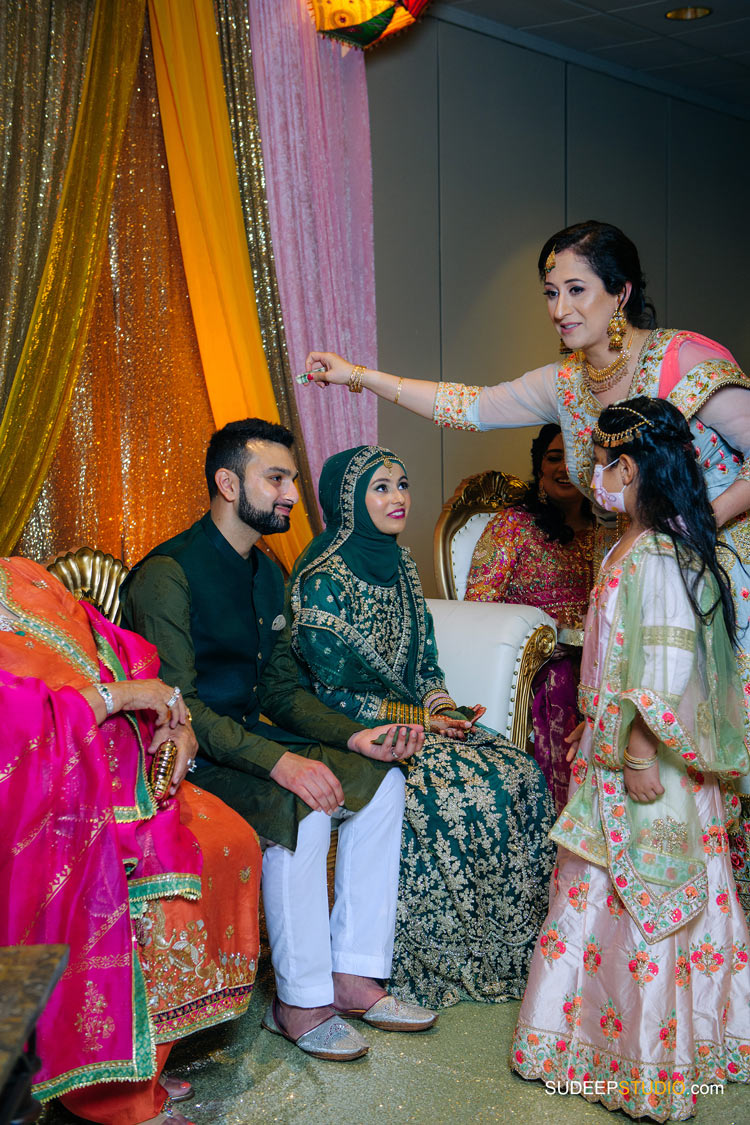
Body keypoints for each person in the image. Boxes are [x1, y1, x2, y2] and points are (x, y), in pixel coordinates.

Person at [304, 219, 750, 917]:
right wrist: (361, 377)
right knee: (621, 754)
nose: (561, 308)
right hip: (631, 583)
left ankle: (711, 934)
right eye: (550, 292)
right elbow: (468, 406)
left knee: (690, 756)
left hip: (713, 577)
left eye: (577, 289)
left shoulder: (682, 359)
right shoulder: (568, 385)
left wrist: (692, 529)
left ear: (621, 292)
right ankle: (628, 948)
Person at [121, 418, 436, 1064]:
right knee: (303, 805)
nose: (293, 492)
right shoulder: (167, 574)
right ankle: (298, 1000)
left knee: (383, 785)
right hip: (189, 757)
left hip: (251, 739)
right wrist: (284, 762)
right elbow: (183, 710)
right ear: (228, 483)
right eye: (278, 478)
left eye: (292, 477)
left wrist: (356, 736)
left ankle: (352, 972)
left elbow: (283, 694)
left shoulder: (266, 573)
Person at [510, 397, 750, 1120]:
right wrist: (594, 725)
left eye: (609, 462)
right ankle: (580, 1037)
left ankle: (654, 1057)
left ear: (638, 468)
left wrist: (640, 747)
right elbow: (615, 654)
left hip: (651, 761)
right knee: (596, 891)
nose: (597, 476)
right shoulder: (629, 544)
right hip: (614, 748)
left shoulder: (665, 552)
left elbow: (670, 662)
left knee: (650, 898)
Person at [287, 444, 556, 1008]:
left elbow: (427, 663)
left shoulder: (402, 564)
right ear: (347, 500)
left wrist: (447, 711)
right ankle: (424, 958)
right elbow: (330, 691)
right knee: (453, 793)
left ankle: (516, 950)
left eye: (402, 485)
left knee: (516, 770)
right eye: (380, 487)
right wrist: (421, 720)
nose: (398, 498)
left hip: (418, 719)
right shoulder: (321, 574)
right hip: (346, 728)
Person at [0, 555, 261, 1125]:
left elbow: (117, 648)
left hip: (118, 764)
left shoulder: (24, 575)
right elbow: (13, 722)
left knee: (229, 841)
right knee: (140, 880)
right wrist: (125, 698)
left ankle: (143, 1056)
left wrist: (176, 718)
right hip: (40, 789)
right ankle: (116, 1089)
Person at [465, 424, 594, 813]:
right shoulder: (514, 525)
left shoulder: (612, 526)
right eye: (555, 458)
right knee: (564, 679)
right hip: (537, 664)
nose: (565, 467)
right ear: (539, 467)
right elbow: (479, 606)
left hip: (600, 657)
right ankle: (559, 819)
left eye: (576, 458)